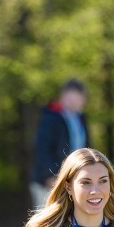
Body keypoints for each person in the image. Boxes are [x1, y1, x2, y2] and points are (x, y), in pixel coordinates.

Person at [29, 78, 89, 209]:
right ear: (64, 96)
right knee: (45, 223)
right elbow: (42, 149)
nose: (77, 102)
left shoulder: (80, 119)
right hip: (48, 181)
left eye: (80, 98)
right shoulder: (51, 118)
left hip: (72, 180)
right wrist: (50, 176)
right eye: (72, 97)